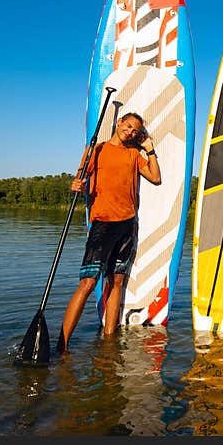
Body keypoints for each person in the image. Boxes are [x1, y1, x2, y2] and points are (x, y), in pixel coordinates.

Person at [56, 112, 161, 353]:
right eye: (128, 126)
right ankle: (62, 345)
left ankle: (108, 340)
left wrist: (150, 149)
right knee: (88, 283)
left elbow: (155, 177)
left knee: (116, 282)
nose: (131, 131)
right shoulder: (98, 149)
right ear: (119, 122)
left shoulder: (135, 154)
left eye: (136, 130)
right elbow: (79, 178)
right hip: (103, 224)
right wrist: (76, 185)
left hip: (126, 224)